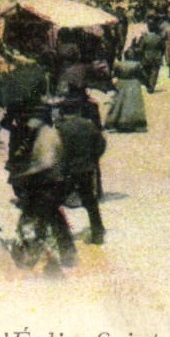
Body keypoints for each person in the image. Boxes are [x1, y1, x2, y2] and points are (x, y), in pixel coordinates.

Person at [8, 106, 76, 266]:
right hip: (51, 183)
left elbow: (47, 163)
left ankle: (34, 254)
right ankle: (65, 252)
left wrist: (26, 174)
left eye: (29, 119)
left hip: (50, 184)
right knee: (54, 218)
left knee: (40, 218)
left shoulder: (46, 136)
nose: (27, 123)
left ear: (37, 119)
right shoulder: (42, 133)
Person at [55, 102, 107, 245]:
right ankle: (98, 232)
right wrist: (93, 158)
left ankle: (61, 235)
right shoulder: (89, 125)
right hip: (86, 169)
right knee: (90, 201)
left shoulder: (62, 129)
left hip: (68, 171)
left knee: (55, 202)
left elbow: (60, 151)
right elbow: (101, 144)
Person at [107, 57, 149, 132]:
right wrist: (147, 83)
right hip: (134, 84)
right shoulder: (137, 64)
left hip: (121, 83)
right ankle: (137, 123)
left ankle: (114, 122)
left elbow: (114, 74)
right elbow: (142, 75)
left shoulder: (118, 64)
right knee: (134, 104)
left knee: (118, 104)